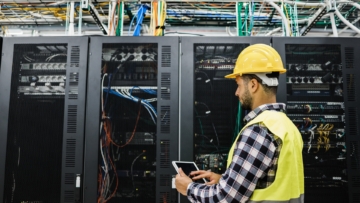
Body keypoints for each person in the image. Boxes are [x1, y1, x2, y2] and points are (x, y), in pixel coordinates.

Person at [175, 44, 304, 203]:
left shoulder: (259, 130)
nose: (236, 92)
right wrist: (225, 179)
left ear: (253, 85)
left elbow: (225, 199)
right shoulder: (286, 126)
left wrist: (188, 188)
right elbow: (271, 182)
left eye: (238, 85)